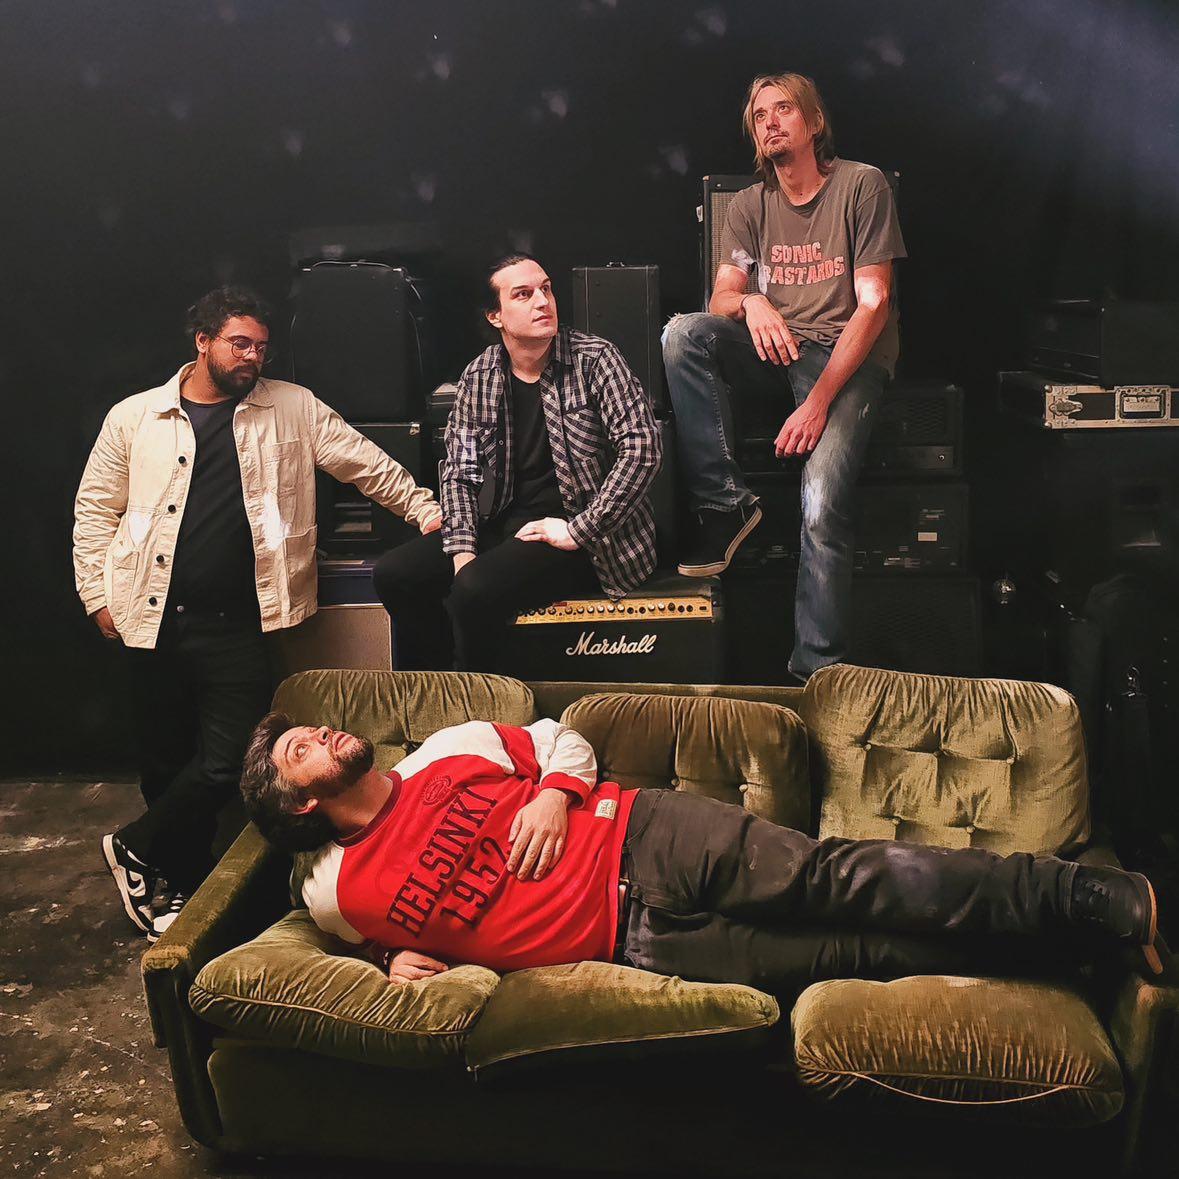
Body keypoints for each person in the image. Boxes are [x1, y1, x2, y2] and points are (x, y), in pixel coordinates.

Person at [239, 713, 1164, 994]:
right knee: (855, 954)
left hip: (647, 835)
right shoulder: (331, 890)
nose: (321, 732)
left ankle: (1086, 897)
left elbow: (561, 738)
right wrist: (382, 956)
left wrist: (556, 794)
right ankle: (1067, 959)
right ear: (302, 801)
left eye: (308, 729)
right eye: (299, 750)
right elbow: (314, 935)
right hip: (637, 945)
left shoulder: (446, 752)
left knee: (843, 879)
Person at [74, 286, 442, 941]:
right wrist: (95, 595)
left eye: (261, 347)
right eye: (239, 343)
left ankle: (134, 848)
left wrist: (426, 511)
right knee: (164, 764)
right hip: (148, 617)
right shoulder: (135, 417)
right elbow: (95, 509)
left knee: (227, 762)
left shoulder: (291, 408)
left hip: (237, 623)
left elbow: (365, 463)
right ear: (202, 342)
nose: (251, 356)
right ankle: (175, 887)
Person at [663, 73, 906, 681]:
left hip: (847, 356)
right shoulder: (749, 205)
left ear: (814, 122)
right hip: (779, 348)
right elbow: (721, 296)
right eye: (759, 115)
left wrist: (818, 402)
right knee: (683, 334)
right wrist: (752, 302)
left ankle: (815, 674)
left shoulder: (862, 185)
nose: (770, 122)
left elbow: (874, 304)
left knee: (821, 507)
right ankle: (725, 505)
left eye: (784, 109)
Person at [372, 254, 662, 671]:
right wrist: (462, 551)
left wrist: (578, 530)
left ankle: (484, 703)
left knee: (473, 591)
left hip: (587, 534)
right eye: (523, 295)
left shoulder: (595, 359)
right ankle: (439, 687)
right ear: (495, 316)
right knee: (395, 574)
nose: (542, 301)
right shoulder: (480, 375)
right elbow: (459, 471)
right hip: (508, 521)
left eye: (546, 289)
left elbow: (642, 448)